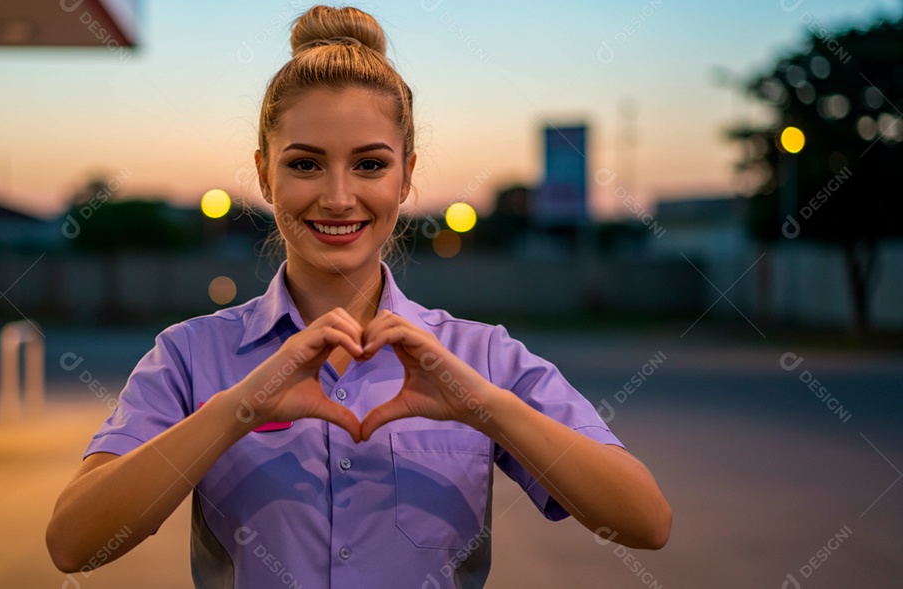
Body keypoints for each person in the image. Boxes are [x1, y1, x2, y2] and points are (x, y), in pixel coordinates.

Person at [46, 5, 671, 587]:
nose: (339, 197)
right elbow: (74, 544)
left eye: (370, 164)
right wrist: (237, 410)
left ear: (407, 175)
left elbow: (646, 523)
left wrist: (485, 407)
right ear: (264, 173)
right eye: (305, 164)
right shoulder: (189, 356)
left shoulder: (481, 358)